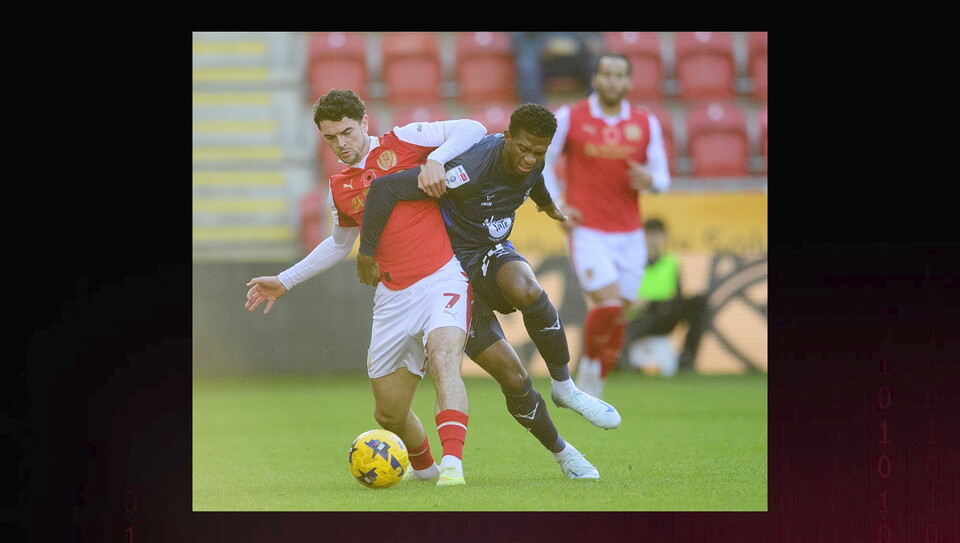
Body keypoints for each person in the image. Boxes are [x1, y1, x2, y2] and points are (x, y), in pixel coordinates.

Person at [357, 103, 620, 476]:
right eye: (523, 149)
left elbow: (534, 179)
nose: (529, 159)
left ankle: (565, 388)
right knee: (513, 377)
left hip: (491, 255)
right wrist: (366, 252)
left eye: (539, 152)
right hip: (452, 275)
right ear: (507, 137)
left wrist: (548, 206)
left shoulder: (534, 159)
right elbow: (384, 188)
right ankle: (565, 455)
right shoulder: (467, 170)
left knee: (526, 287)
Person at [244, 89, 486, 487]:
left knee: (444, 360)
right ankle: (425, 470)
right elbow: (340, 243)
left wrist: (437, 159)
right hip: (392, 298)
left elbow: (473, 127)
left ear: (365, 124)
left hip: (441, 278)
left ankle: (453, 467)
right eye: (331, 138)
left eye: (347, 132)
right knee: (389, 414)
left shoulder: (404, 140)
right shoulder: (339, 186)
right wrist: (285, 281)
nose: (341, 144)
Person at [541, 53, 672, 399]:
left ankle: (595, 375)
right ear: (596, 79)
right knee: (609, 303)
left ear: (629, 82)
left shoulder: (645, 122)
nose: (613, 81)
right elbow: (545, 160)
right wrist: (557, 204)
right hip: (587, 230)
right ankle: (586, 374)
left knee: (618, 313)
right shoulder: (571, 117)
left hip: (630, 233)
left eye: (620, 75)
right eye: (607, 74)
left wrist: (651, 180)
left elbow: (662, 177)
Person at [621, 218, 708, 373]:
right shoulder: (631, 263)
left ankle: (687, 359)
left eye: (658, 235)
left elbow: (678, 296)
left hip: (663, 312)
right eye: (650, 235)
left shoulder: (671, 261)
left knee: (699, 302)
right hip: (639, 317)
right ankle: (624, 365)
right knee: (620, 330)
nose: (654, 240)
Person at [510, 32, 604, 105]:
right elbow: (519, 41)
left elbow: (598, 40)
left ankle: (594, 112)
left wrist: (585, 45)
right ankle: (534, 115)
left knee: (598, 65)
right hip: (544, 61)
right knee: (527, 65)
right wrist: (543, 48)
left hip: (578, 58)